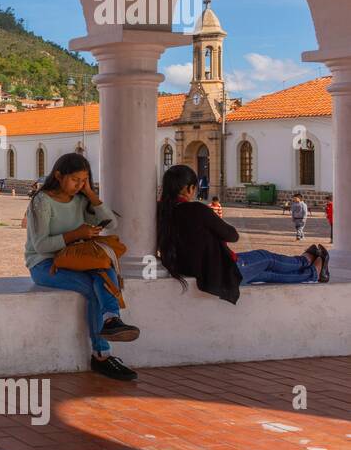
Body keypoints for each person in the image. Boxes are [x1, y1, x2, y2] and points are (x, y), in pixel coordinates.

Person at [25, 153, 140, 382]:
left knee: (104, 268)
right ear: (58, 175)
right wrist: (76, 234)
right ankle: (101, 354)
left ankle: (110, 320)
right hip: (45, 264)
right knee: (94, 286)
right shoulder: (42, 201)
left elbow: (112, 223)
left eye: (84, 180)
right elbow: (41, 245)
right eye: (75, 180)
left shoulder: (80, 200)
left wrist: (90, 194)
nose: (79, 185)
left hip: (77, 258)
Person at [156, 164, 327, 305]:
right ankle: (305, 261)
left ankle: (311, 272)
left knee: (266, 274)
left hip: (191, 269)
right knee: (266, 258)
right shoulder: (196, 209)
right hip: (218, 271)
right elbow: (232, 236)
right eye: (194, 188)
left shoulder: (161, 211)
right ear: (188, 188)